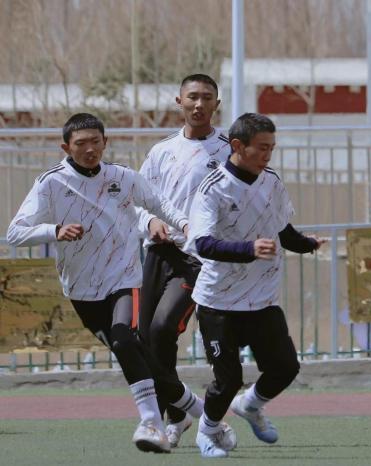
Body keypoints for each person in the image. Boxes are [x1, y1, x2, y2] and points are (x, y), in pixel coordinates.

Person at [6, 113, 228, 453]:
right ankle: (196, 412)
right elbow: (15, 233)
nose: (90, 149)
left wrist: (184, 224)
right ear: (66, 148)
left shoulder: (122, 177)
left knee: (125, 339)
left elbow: (158, 203)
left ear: (105, 142)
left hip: (124, 278)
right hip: (81, 290)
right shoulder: (51, 183)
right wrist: (54, 231)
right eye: (81, 143)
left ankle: (151, 423)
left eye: (96, 142)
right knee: (140, 357)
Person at [184, 112, 326, 458]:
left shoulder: (271, 181)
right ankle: (207, 432)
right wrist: (248, 249)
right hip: (218, 302)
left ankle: (249, 406)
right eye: (262, 147)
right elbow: (202, 244)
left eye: (272, 148)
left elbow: (281, 229)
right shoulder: (213, 188)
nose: (268, 154)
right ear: (237, 145)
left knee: (285, 367)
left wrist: (307, 244)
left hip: (262, 299)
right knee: (228, 379)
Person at [136, 74, 231, 447]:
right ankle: (175, 417)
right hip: (158, 252)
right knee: (145, 341)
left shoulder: (229, 151)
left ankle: (189, 416)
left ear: (216, 104)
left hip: (198, 259)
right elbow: (136, 201)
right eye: (193, 97)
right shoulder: (162, 152)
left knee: (162, 329)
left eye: (207, 97)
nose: (199, 104)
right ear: (179, 101)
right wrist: (150, 222)